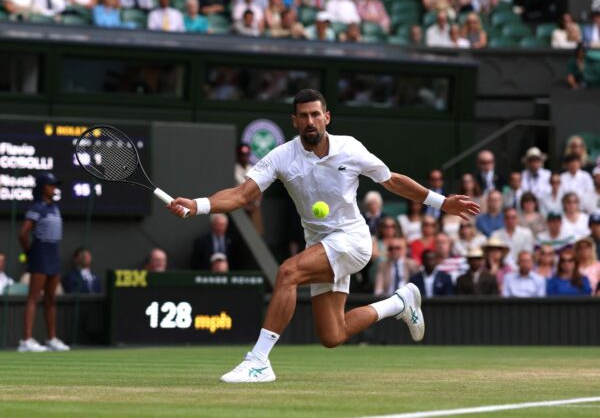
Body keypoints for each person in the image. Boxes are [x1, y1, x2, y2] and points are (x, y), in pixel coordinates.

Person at [166, 89, 479, 382]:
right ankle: (398, 303)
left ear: (327, 117)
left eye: (316, 114)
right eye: (303, 116)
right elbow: (241, 194)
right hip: (319, 244)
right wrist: (197, 205)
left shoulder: (349, 148)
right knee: (333, 335)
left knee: (288, 272)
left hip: (352, 241)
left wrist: (441, 203)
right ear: (295, 121)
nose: (310, 121)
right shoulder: (281, 156)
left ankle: (258, 361)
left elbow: (392, 180)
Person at [18, 172, 69, 352]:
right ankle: (26, 340)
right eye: (50, 185)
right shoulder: (36, 208)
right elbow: (23, 233)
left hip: (53, 254)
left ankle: (51, 339)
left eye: (55, 185)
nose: (54, 188)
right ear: (42, 188)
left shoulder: (55, 208)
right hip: (40, 253)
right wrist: (29, 253)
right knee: (33, 297)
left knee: (50, 299)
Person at [235, 144, 263, 234]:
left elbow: (260, 188)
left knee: (256, 232)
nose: (245, 157)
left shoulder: (253, 169)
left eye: (247, 155)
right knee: (241, 233)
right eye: (242, 155)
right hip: (239, 206)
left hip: (254, 205)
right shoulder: (234, 169)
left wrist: (256, 203)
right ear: (238, 156)